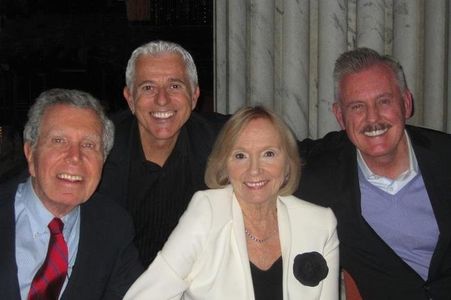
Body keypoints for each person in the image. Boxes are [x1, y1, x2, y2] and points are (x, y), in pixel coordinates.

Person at [124, 106, 339, 300]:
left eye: (269, 154)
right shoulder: (207, 212)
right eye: (240, 156)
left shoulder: (320, 224)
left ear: (288, 164)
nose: (254, 170)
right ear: (224, 166)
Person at [296, 48, 451, 299]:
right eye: (357, 107)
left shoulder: (445, 158)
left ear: (406, 103)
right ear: (340, 116)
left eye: (384, 101)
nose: (373, 118)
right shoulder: (323, 182)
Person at [0, 88, 144, 300]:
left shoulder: (113, 227)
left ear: (103, 161)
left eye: (88, 145)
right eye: (59, 141)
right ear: (30, 154)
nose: (75, 157)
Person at [96, 40, 226, 266]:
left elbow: (290, 149)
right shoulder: (98, 146)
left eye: (175, 86)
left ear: (194, 96)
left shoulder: (219, 139)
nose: (162, 99)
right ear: (130, 99)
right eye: (148, 87)